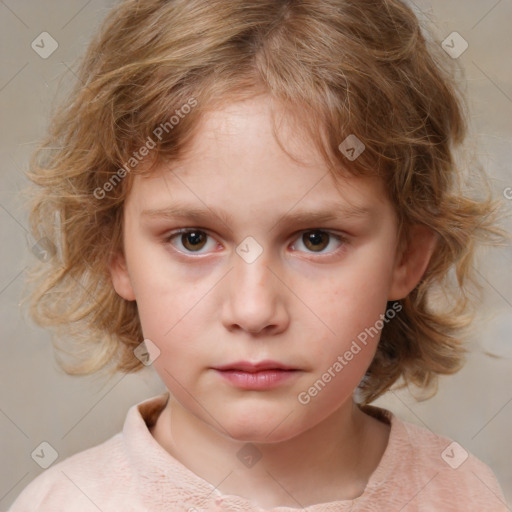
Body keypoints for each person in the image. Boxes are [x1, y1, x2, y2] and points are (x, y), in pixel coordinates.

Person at [10, 0, 509, 510]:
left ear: (406, 257)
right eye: (193, 239)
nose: (253, 311)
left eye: (316, 239)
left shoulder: (463, 493)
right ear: (114, 253)